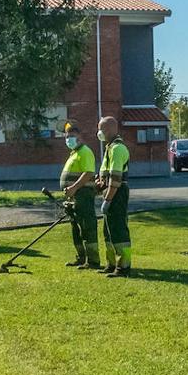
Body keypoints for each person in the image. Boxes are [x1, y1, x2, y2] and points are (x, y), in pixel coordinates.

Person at [59, 121, 100, 269]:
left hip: (83, 195)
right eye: (67, 136)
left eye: (72, 136)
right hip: (74, 196)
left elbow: (88, 173)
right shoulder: (74, 153)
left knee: (87, 226)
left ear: (80, 137)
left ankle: (93, 260)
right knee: (76, 227)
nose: (68, 139)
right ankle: (81, 258)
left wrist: (74, 188)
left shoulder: (85, 152)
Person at [95, 116, 132, 277]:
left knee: (118, 230)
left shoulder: (117, 149)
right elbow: (106, 175)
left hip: (117, 193)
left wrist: (108, 200)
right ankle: (111, 264)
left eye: (101, 129)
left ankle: (123, 266)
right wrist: (99, 182)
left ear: (109, 129)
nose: (99, 133)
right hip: (110, 192)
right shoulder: (110, 147)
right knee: (108, 231)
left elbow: (115, 179)